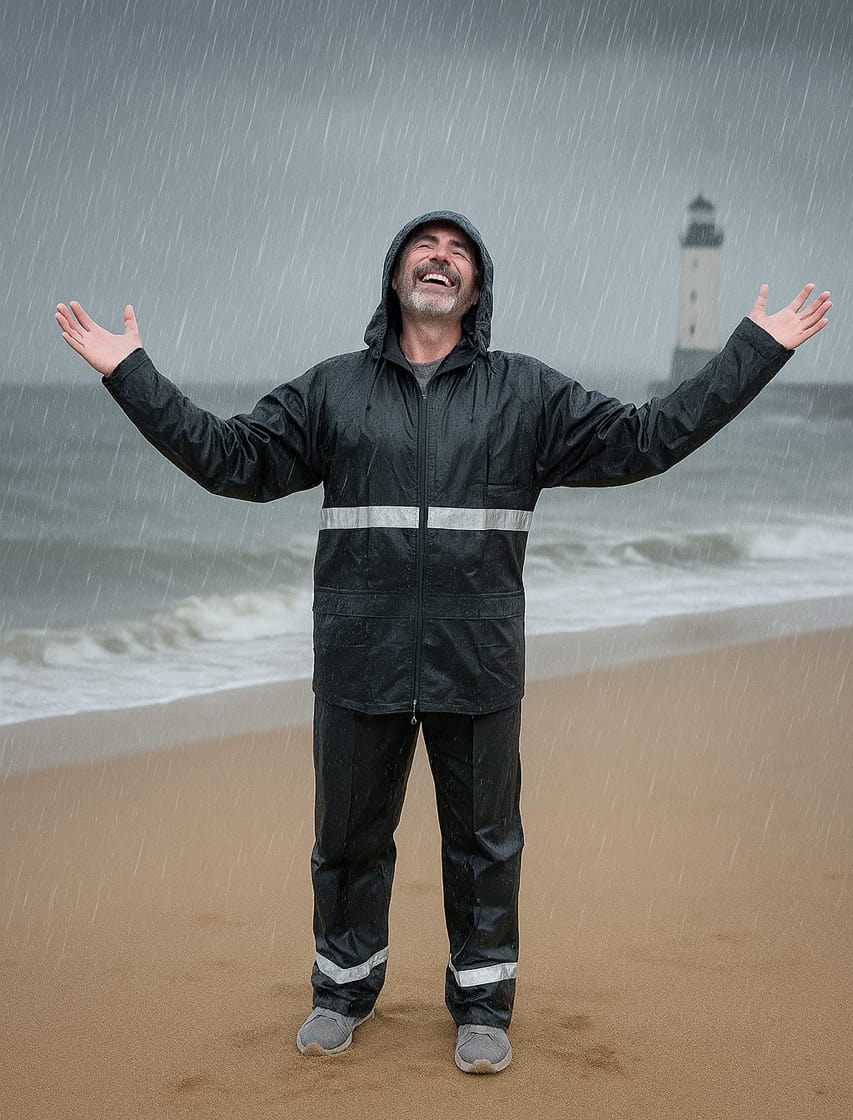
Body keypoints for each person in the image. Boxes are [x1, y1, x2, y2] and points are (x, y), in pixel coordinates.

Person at [56, 210, 830, 1074]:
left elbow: (647, 440)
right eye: (424, 248)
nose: (440, 258)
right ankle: (341, 989)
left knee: (484, 844)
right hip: (360, 658)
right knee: (346, 840)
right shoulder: (332, 391)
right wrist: (130, 373)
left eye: (458, 251)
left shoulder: (526, 395)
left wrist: (753, 352)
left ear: (475, 289)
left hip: (478, 661)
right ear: (395, 278)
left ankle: (483, 1004)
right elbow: (231, 461)